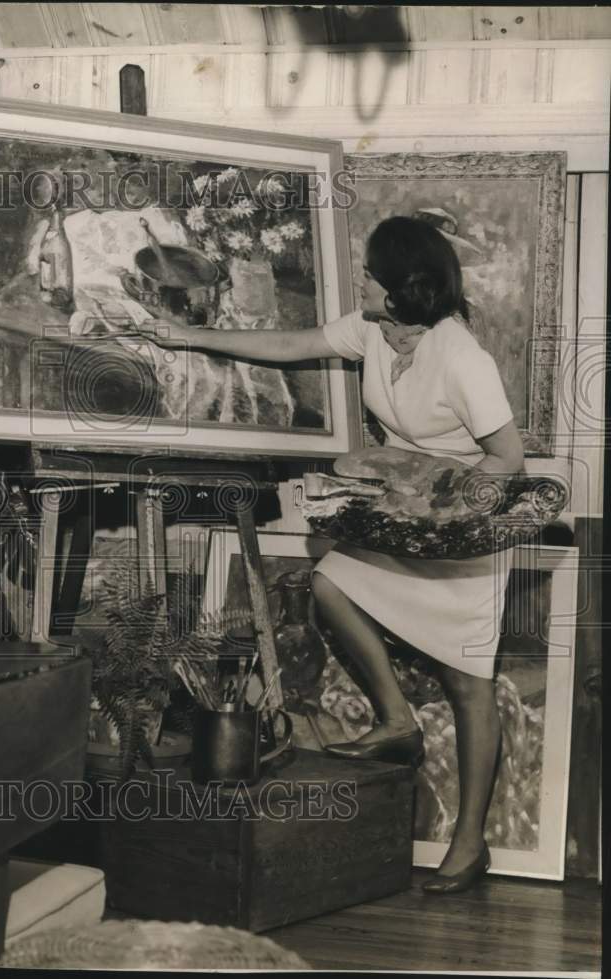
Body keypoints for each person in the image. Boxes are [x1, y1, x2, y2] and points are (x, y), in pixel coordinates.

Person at [141, 216, 524, 894]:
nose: (363, 281)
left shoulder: (463, 358)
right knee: (329, 585)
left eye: (373, 274)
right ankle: (397, 719)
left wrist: (414, 473)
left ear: (404, 288)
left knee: (469, 683)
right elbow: (295, 342)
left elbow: (507, 459)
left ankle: (469, 843)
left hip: (459, 532)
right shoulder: (372, 329)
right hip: (400, 523)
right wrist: (191, 335)